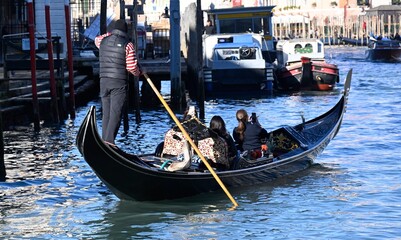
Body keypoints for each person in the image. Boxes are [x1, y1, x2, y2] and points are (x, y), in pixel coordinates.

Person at [95, 19, 142, 146]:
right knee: (115, 113)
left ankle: (103, 142)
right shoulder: (128, 45)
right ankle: (109, 143)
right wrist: (139, 72)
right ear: (126, 32)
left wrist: (110, 34)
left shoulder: (102, 41)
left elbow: (97, 38)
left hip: (104, 81)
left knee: (106, 113)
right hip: (119, 82)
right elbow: (131, 67)